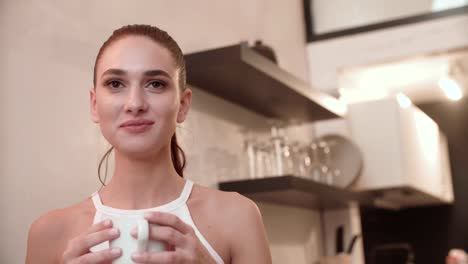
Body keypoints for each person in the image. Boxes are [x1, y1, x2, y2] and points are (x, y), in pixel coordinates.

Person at [26, 24, 272, 264]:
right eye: (115, 84)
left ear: (183, 105)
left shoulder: (239, 217)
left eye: (156, 84)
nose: (134, 103)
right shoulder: (48, 233)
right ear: (94, 104)